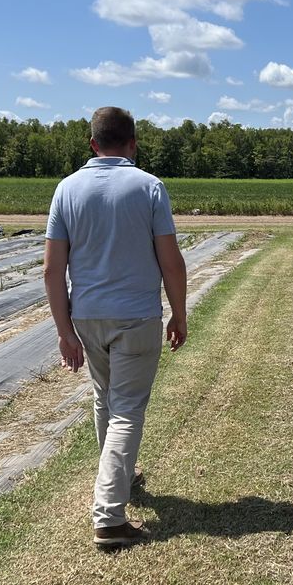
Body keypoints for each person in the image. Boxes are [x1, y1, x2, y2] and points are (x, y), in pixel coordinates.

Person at [44, 106, 188, 549]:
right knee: (127, 409)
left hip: (88, 316)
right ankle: (109, 515)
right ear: (133, 143)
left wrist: (65, 331)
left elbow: (52, 270)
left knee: (105, 398)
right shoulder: (148, 187)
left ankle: (121, 477)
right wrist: (179, 313)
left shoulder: (66, 190)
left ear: (93, 144)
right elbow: (170, 259)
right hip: (136, 316)